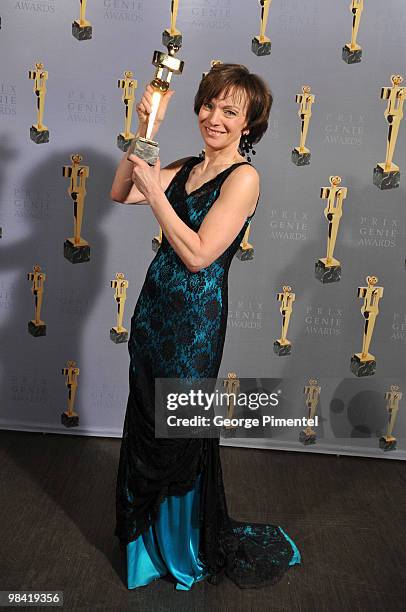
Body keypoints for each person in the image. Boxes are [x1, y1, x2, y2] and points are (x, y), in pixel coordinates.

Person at [111, 63, 301, 590]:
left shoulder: (244, 178)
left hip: (194, 323)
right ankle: (144, 549)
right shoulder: (186, 166)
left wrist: (154, 193)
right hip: (153, 314)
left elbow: (198, 255)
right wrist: (146, 129)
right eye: (209, 105)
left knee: (181, 430)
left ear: (249, 124)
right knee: (148, 421)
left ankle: (183, 549)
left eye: (229, 110)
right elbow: (121, 190)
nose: (214, 117)